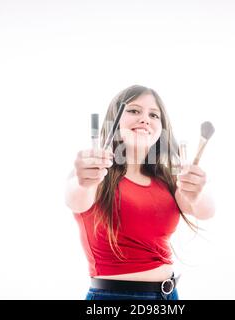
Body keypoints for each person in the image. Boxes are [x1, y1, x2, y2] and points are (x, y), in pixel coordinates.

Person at [65, 84, 215, 300]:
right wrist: (85, 182)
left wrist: (197, 193)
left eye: (153, 114)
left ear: (162, 129)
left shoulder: (169, 179)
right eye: (134, 110)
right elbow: (75, 198)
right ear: (113, 121)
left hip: (168, 298)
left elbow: (206, 211)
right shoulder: (93, 173)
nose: (145, 118)